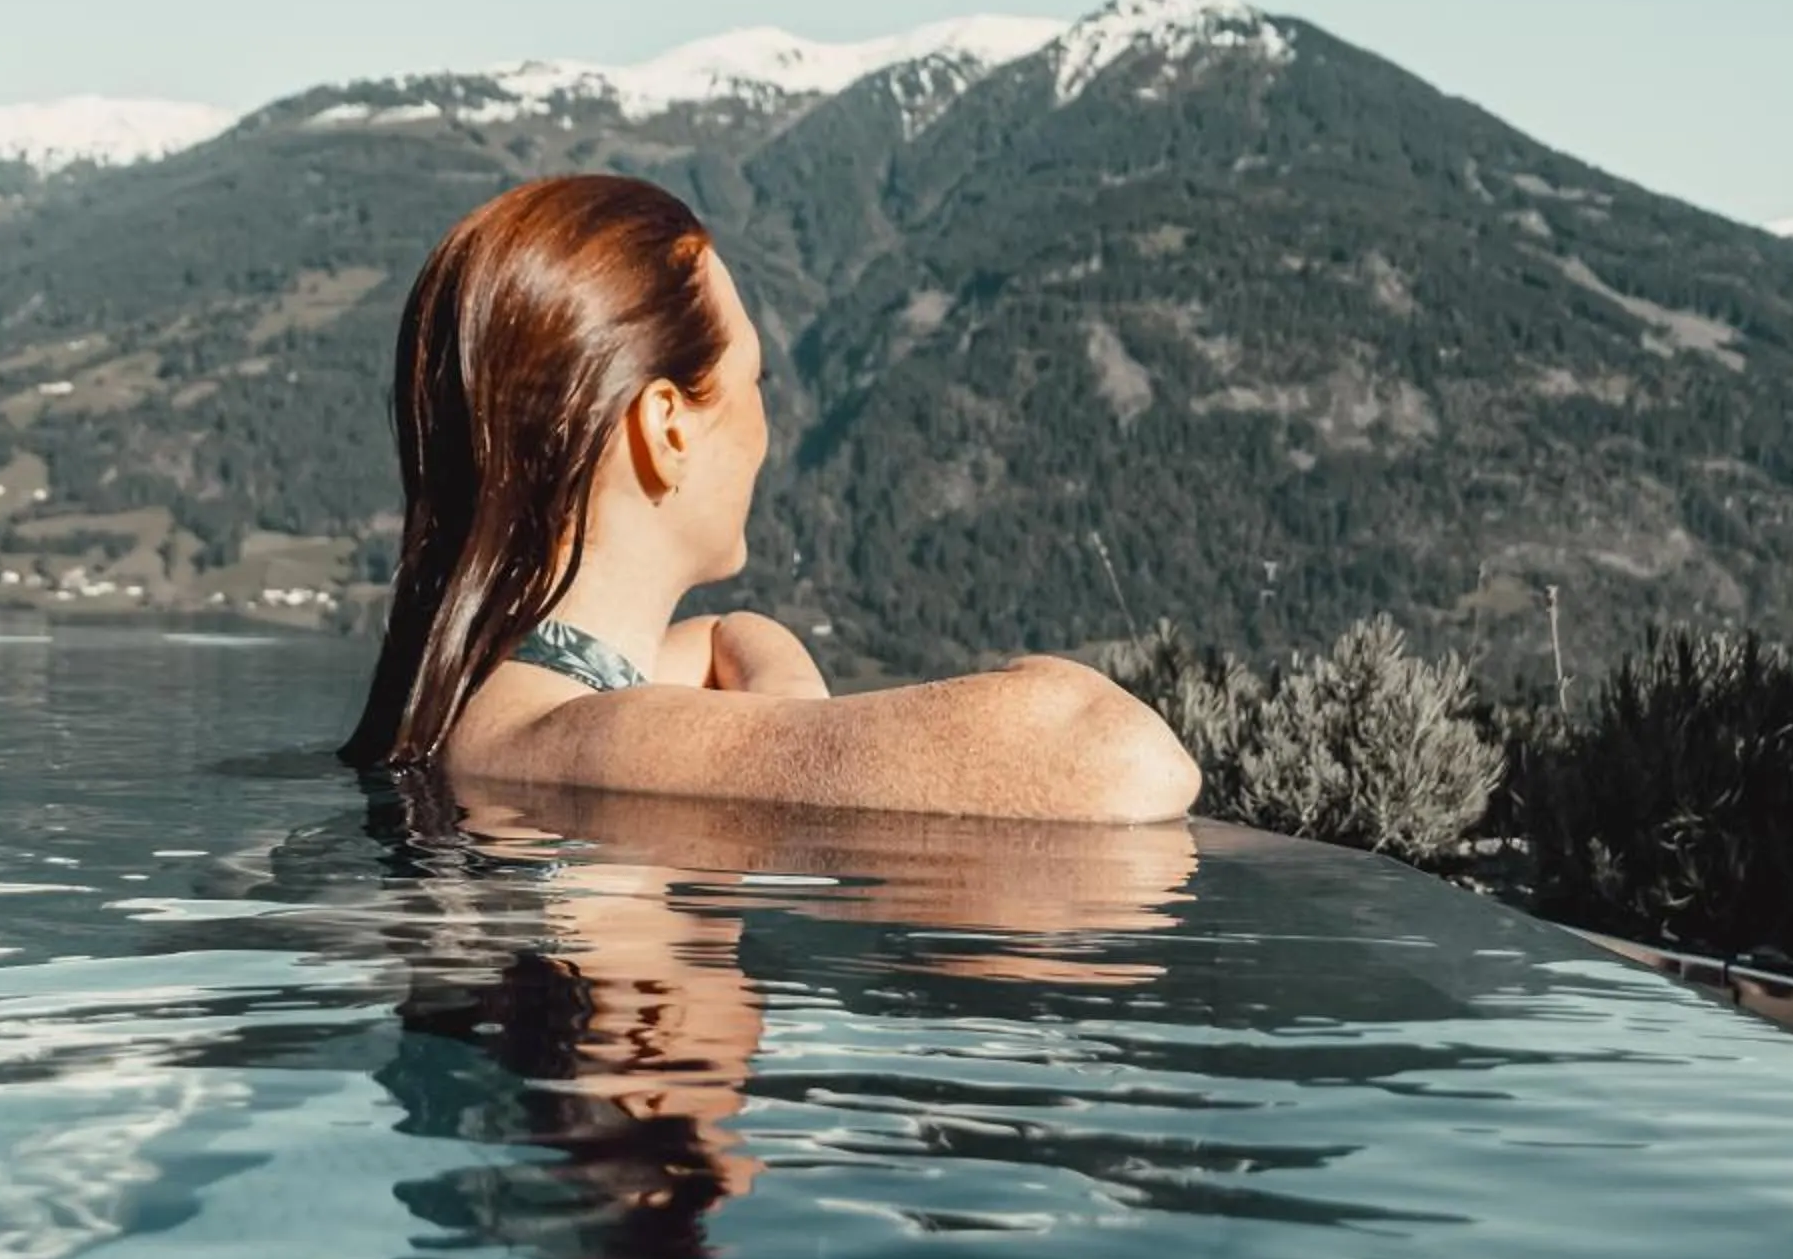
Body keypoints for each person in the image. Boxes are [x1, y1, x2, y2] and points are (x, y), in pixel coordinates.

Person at [338, 174, 1202, 822]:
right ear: (667, 428)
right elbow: (1117, 756)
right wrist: (801, 743)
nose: (766, 426)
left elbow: (712, 637)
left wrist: (777, 688)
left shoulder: (506, 701)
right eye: (754, 380)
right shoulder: (578, 740)